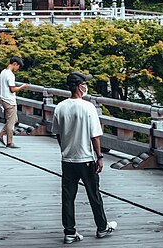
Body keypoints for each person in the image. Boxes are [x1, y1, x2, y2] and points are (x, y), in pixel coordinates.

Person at [51, 71, 117, 243]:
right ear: (80, 87)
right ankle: (102, 227)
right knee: (93, 194)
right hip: (86, 158)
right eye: (84, 84)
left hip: (67, 158)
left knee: (68, 196)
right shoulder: (88, 108)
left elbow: (57, 133)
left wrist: (64, 148)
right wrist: (100, 156)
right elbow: (95, 136)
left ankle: (69, 232)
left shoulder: (60, 107)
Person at [0, 56, 29, 149]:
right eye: (18, 66)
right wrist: (23, 86)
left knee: (14, 120)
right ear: (15, 64)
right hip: (9, 100)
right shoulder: (10, 74)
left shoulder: (3, 72)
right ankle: (9, 142)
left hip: (3, 99)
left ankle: (1, 134)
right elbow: (12, 89)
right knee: (11, 122)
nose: (17, 69)